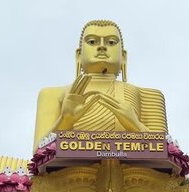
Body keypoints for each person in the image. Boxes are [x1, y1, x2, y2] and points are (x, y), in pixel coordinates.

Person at [32, 20, 168, 150]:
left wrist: (136, 125)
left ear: (123, 56)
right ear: (78, 55)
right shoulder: (54, 94)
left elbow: (168, 152)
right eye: (92, 41)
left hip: (132, 174)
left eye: (111, 42)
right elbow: (38, 154)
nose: (102, 46)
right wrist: (66, 120)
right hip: (73, 174)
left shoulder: (149, 96)